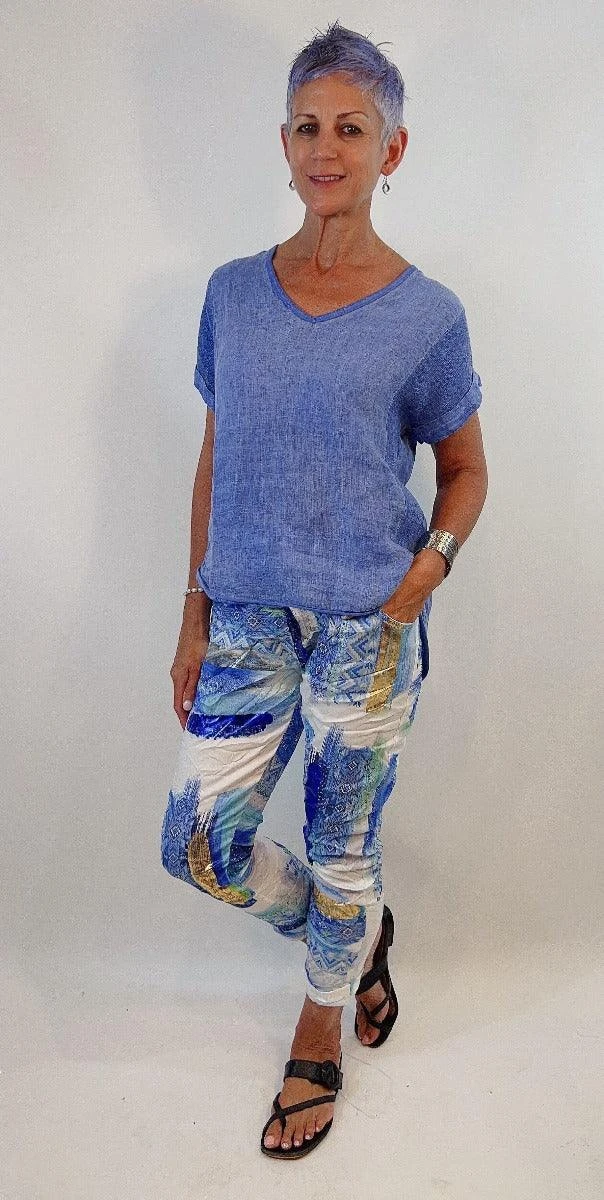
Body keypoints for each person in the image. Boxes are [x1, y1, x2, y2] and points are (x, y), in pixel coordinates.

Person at [161, 19, 488, 1160]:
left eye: (351, 128)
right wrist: (194, 612)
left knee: (341, 839)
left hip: (367, 623)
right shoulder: (231, 294)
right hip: (246, 614)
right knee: (198, 847)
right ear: (284, 142)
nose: (325, 147)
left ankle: (319, 1024)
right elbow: (218, 454)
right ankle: (353, 936)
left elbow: (466, 469)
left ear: (391, 150)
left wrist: (424, 571)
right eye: (307, 126)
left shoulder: (426, 315)